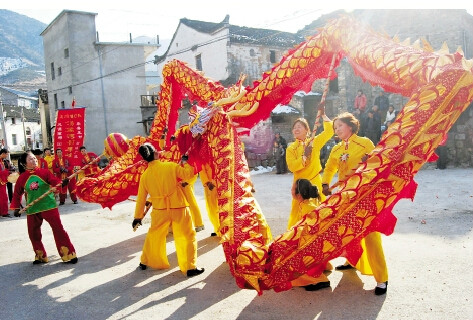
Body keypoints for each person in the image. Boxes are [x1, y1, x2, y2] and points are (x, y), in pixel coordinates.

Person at [321, 112, 388, 295]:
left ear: (350, 126)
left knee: (371, 236)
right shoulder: (336, 149)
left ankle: (382, 278)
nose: (337, 130)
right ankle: (351, 261)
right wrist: (325, 184)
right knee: (348, 232)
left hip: (365, 196)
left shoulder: (365, 143)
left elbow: (379, 163)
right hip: (345, 197)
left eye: (339, 126)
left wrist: (370, 162)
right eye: (335, 128)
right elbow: (329, 168)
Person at [132, 143, 204, 277]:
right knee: (187, 236)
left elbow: (141, 198)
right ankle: (190, 267)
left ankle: (145, 261)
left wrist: (137, 217)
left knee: (154, 235)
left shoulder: (145, 176)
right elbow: (188, 174)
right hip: (179, 207)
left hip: (160, 210)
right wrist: (185, 162)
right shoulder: (170, 166)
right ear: (155, 154)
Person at [10, 150, 78, 264]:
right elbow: (17, 194)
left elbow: (54, 181)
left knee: (58, 229)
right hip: (33, 209)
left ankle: (68, 253)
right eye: (31, 159)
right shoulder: (22, 178)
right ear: (24, 163)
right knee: (33, 233)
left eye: (34, 158)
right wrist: (16, 208)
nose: (34, 160)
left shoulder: (44, 172)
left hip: (48, 205)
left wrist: (62, 182)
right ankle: (40, 255)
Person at [286, 115, 333, 229]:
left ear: (307, 130)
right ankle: (296, 240)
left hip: (315, 182)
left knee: (320, 212)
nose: (296, 129)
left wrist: (323, 115)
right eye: (294, 127)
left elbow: (329, 131)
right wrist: (304, 156)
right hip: (300, 186)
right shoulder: (291, 148)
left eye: (299, 127)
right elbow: (292, 166)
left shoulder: (314, 142)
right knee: (298, 215)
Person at [289, 178, 331, 291]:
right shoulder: (305, 204)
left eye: (293, 189)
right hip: (311, 241)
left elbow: (311, 231)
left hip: (313, 244)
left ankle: (319, 280)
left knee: (291, 259)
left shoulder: (308, 207)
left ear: (299, 194)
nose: (291, 190)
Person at [0, 148, 12, 217]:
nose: (6, 156)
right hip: (1, 182)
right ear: (3, 153)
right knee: (3, 197)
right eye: (6, 154)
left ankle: (3, 212)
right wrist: (7, 172)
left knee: (3, 197)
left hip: (2, 181)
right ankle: (4, 212)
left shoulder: (2, 161)